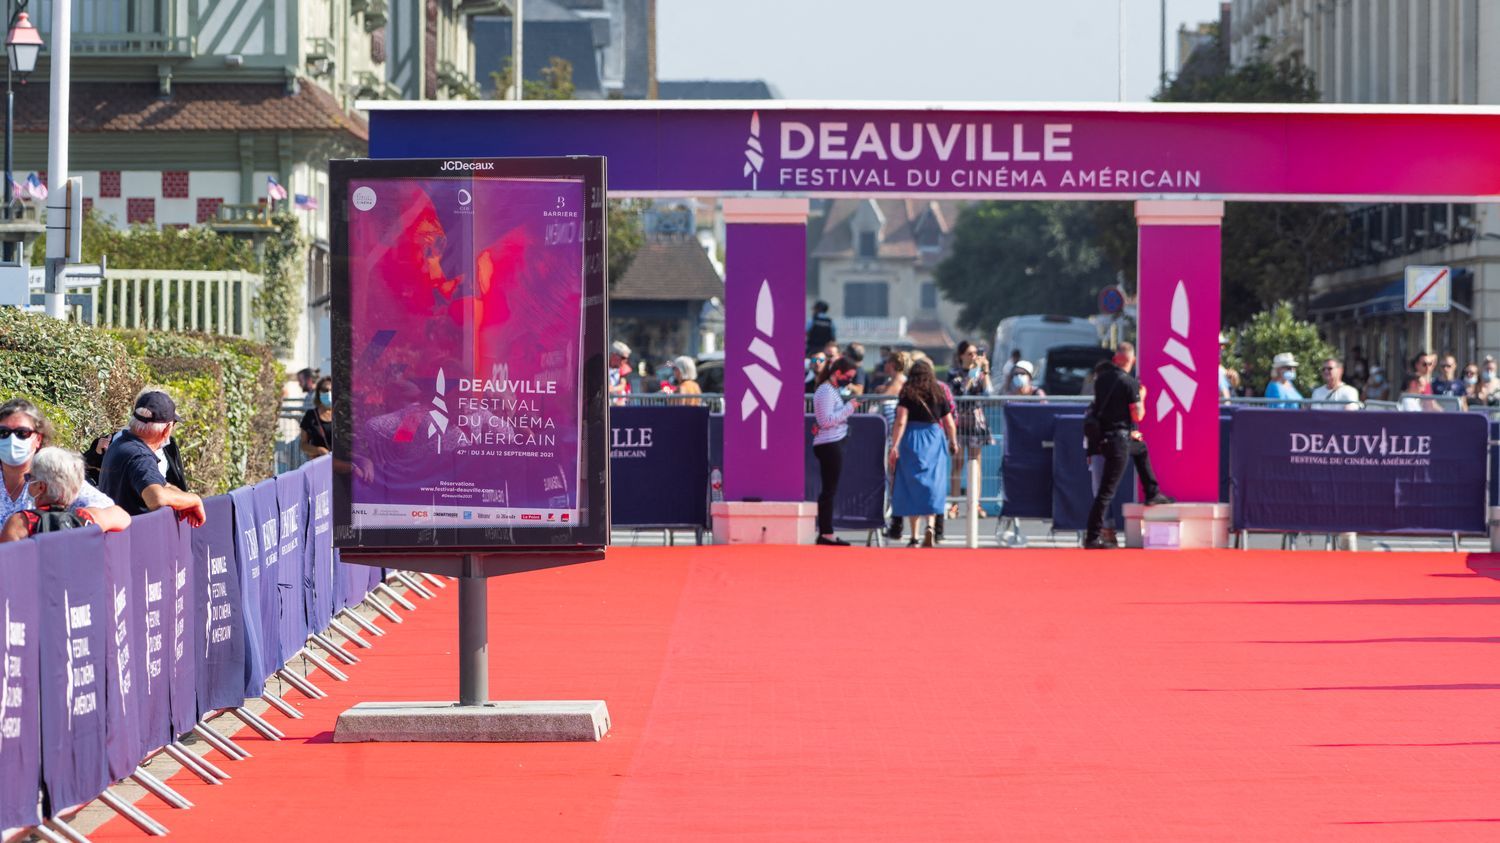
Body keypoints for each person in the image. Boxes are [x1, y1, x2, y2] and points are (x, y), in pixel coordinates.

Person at [1085, 343, 1171, 549]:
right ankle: (1093, 536)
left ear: (1116, 358)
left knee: (1141, 449)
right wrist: (1143, 396)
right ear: (1131, 360)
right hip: (1119, 441)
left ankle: (1152, 492)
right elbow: (1138, 414)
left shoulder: (1102, 380)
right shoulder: (1131, 383)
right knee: (1106, 491)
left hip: (1106, 439)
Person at [0, 398, 130, 532]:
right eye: (3, 433)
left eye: (22, 433)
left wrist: (77, 521)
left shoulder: (56, 473)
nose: (12, 440)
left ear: (38, 439)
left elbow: (117, 515)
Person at [99, 391, 207, 526]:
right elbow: (156, 497)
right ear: (167, 429)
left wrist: (186, 501)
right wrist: (195, 500)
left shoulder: (121, 443)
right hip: (133, 542)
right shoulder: (140, 456)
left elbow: (162, 484)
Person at [888, 360, 958, 548]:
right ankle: (931, 526)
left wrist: (894, 445)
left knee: (912, 485)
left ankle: (914, 536)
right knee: (933, 484)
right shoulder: (939, 391)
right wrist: (953, 441)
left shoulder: (907, 391)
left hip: (912, 439)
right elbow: (949, 422)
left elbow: (901, 420)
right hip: (934, 438)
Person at [812, 358, 861, 546]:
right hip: (829, 444)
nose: (849, 381)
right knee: (829, 491)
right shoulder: (826, 390)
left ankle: (826, 531)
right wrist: (848, 408)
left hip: (831, 442)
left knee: (829, 490)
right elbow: (825, 421)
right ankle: (826, 532)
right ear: (838, 372)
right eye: (847, 377)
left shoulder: (830, 390)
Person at [0, 448, 96, 541]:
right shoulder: (83, 520)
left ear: (41, 487)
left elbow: (5, 555)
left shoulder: (21, 523)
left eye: (29, 477)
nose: (27, 482)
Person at [946, 341, 994, 519]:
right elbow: (961, 392)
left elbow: (989, 394)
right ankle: (955, 504)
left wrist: (985, 371)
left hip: (976, 420)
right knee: (957, 463)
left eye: (975, 353)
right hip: (960, 420)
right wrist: (972, 374)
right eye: (969, 353)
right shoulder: (954, 374)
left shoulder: (981, 374)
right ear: (961, 356)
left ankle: (976, 502)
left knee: (976, 462)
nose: (973, 356)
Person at [300, 375, 334, 458]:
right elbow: (303, 445)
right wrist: (318, 450)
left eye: (332, 390)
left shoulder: (343, 415)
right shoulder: (311, 415)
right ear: (318, 392)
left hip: (342, 463)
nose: (329, 393)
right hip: (319, 463)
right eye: (325, 390)